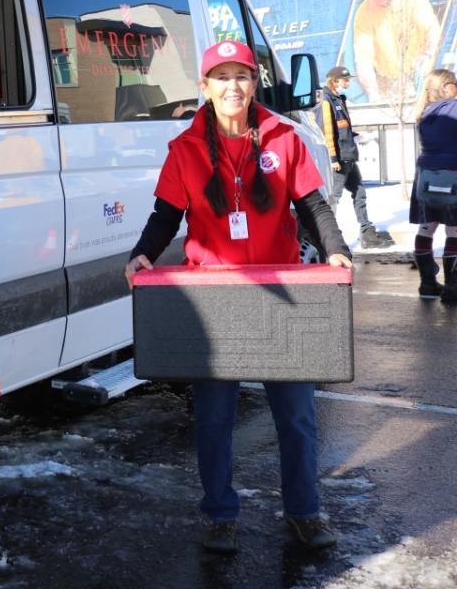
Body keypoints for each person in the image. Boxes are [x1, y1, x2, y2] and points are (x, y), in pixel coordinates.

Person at [124, 41, 353, 555]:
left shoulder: (283, 139)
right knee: (214, 418)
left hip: (281, 292)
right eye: (221, 77)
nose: (233, 87)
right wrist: (144, 254)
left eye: (242, 77)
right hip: (217, 295)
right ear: (204, 88)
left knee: (296, 416)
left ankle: (304, 511)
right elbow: (166, 215)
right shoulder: (184, 150)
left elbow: (313, 206)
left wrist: (334, 250)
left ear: (254, 84)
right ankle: (220, 514)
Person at [317, 65, 392, 249]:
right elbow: (327, 132)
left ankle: (367, 235)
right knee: (334, 198)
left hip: (349, 156)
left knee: (360, 194)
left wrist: (354, 135)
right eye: (345, 79)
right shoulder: (327, 100)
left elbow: (342, 129)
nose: (348, 82)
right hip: (340, 160)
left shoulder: (339, 99)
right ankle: (328, 240)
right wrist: (333, 159)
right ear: (335, 81)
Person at [352, 0, 440, 105]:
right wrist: (373, 95)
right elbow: (363, 60)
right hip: (388, 87)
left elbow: (433, 33)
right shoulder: (364, 13)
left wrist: (428, 57)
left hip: (420, 79)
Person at [409, 68, 457, 301]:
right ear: (447, 87)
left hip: (427, 176)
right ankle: (453, 289)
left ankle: (427, 284)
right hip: (453, 174)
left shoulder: (424, 112)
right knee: (454, 230)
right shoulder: (454, 108)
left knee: (427, 227)